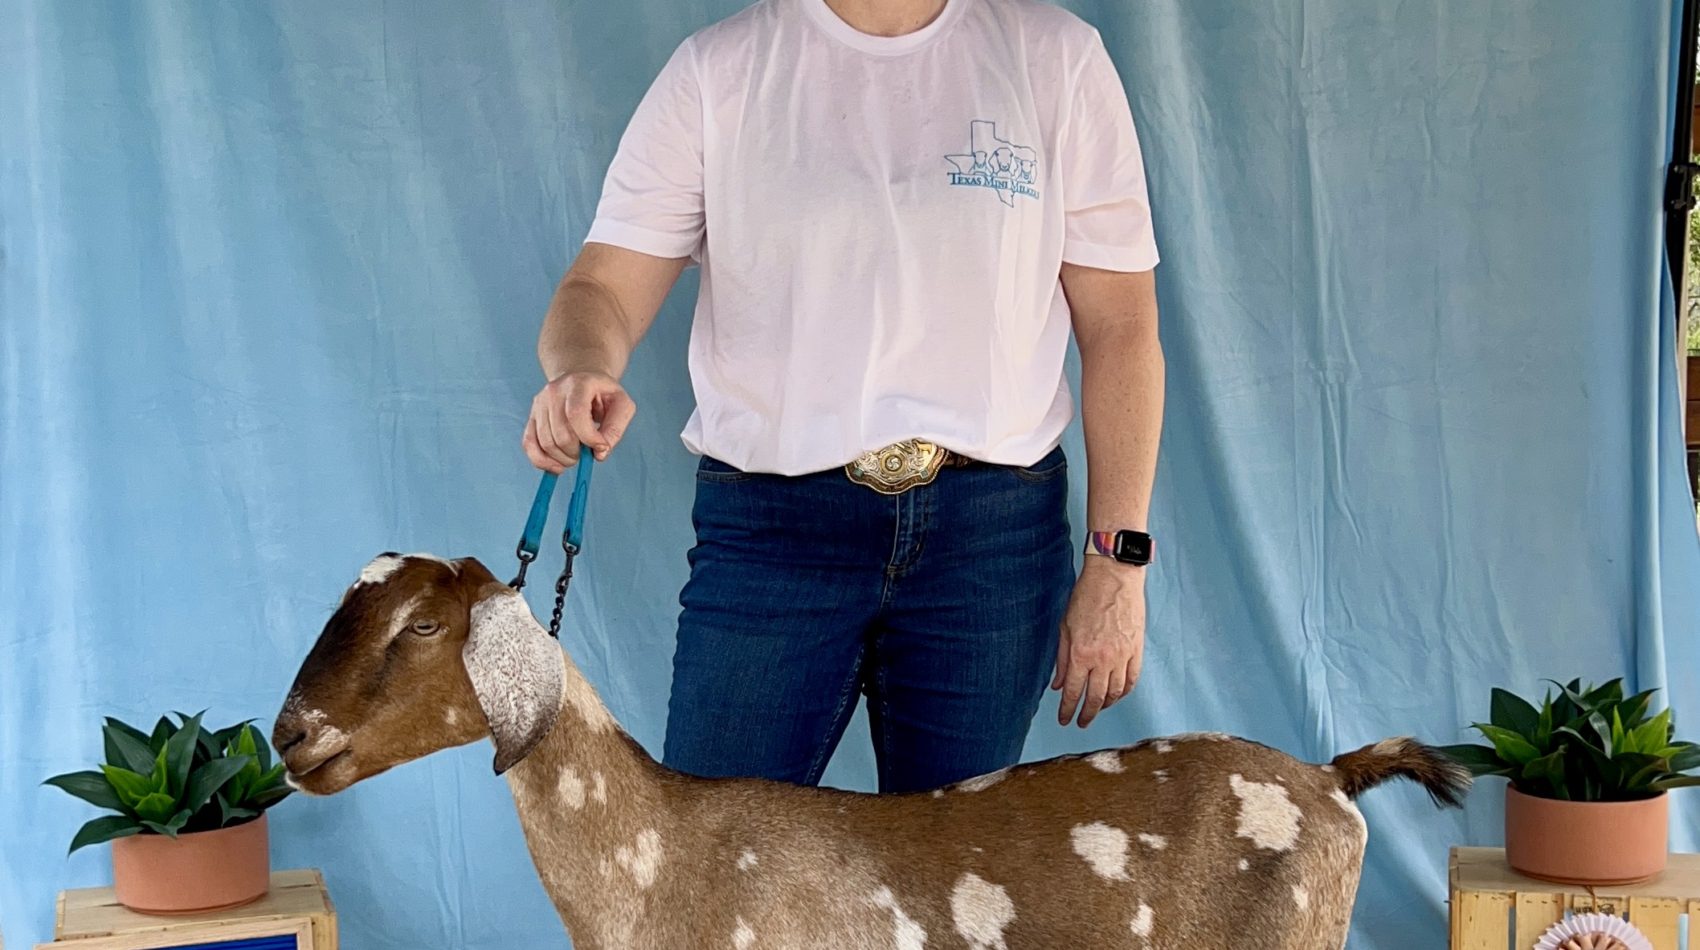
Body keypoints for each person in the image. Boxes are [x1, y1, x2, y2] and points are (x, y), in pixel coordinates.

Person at [524, 0, 1163, 794]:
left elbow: (1123, 328)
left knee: (956, 892)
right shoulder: (719, 71)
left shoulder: (1054, 58)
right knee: (714, 881)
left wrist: (1118, 560)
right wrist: (581, 365)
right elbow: (601, 288)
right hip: (773, 535)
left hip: (988, 541)